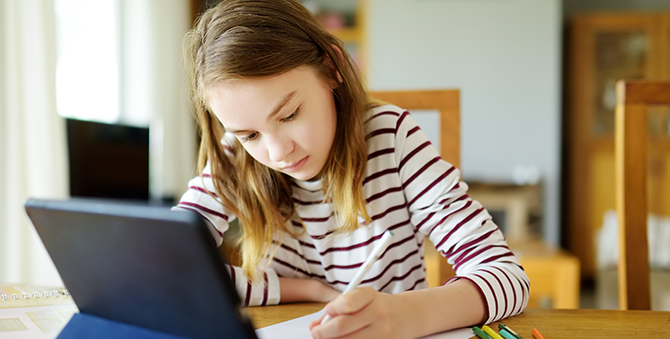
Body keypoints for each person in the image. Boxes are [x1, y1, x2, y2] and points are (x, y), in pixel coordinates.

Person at [176, 0, 529, 338]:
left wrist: (407, 314)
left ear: (332, 69)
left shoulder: (392, 139)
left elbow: (507, 277)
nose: (277, 151)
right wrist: (307, 289)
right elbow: (171, 269)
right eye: (250, 134)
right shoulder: (235, 156)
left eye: (289, 115)